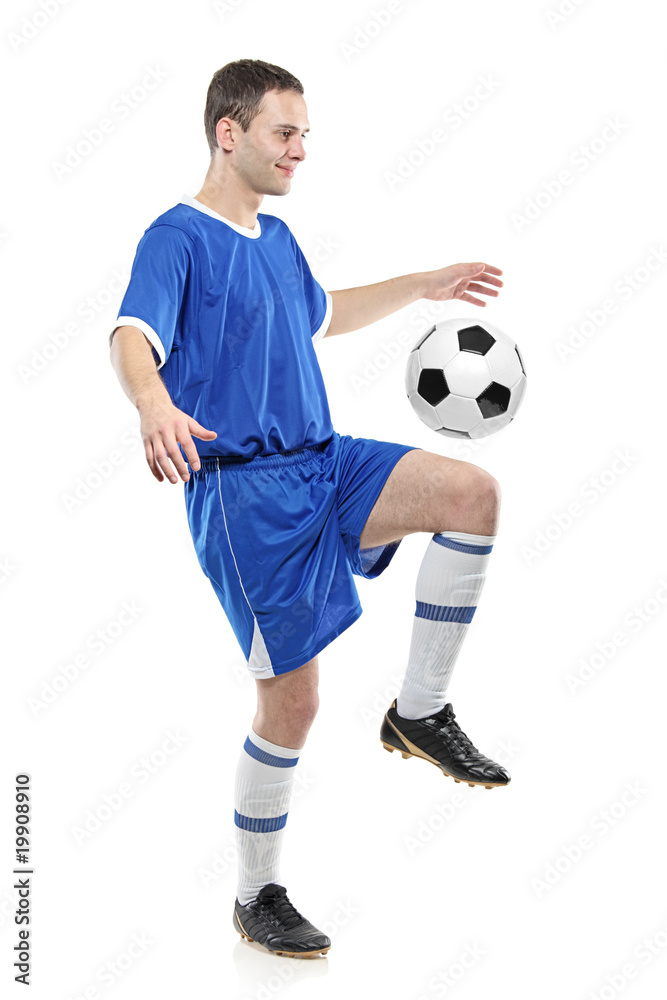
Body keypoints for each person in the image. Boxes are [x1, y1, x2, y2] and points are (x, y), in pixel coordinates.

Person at [109, 58, 509, 960]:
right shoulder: (175, 239)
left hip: (322, 463)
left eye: (304, 136)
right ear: (229, 131)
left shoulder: (277, 239)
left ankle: (420, 712)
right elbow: (133, 335)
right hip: (244, 498)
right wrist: (151, 399)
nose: (299, 151)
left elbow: (321, 314)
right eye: (284, 133)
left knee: (470, 493)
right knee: (293, 704)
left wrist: (423, 283)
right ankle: (257, 895)